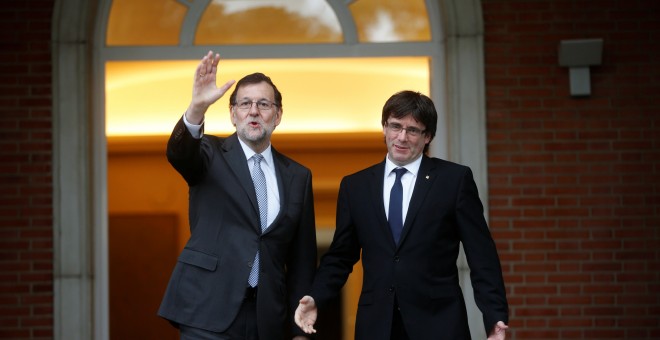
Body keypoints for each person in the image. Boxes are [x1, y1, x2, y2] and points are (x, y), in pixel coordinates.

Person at [294, 90, 509, 339]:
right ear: (384, 128)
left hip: (439, 323)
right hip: (377, 326)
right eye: (395, 126)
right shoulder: (356, 186)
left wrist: (495, 317)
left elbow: (482, 256)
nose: (402, 137)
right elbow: (341, 257)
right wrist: (315, 296)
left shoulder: (454, 180)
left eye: (413, 130)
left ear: (427, 136)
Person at [158, 51, 317, 340]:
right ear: (233, 114)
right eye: (245, 104)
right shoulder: (208, 153)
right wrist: (197, 108)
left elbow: (301, 261)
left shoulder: (299, 176)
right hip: (206, 311)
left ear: (278, 115)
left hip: (267, 318)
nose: (253, 111)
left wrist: (299, 332)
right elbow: (178, 154)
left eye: (264, 104)